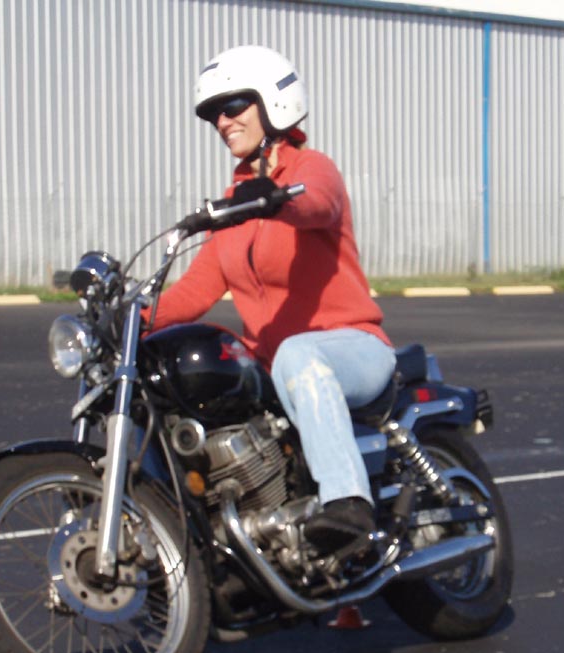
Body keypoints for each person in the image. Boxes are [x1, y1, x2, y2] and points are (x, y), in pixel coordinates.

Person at [150, 45, 395, 554]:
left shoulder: (313, 169)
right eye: (214, 115)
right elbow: (194, 292)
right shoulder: (235, 208)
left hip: (350, 348)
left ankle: (348, 502)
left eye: (232, 106)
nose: (222, 122)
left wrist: (274, 200)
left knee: (296, 353)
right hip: (276, 365)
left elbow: (319, 204)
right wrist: (131, 315)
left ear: (273, 103)